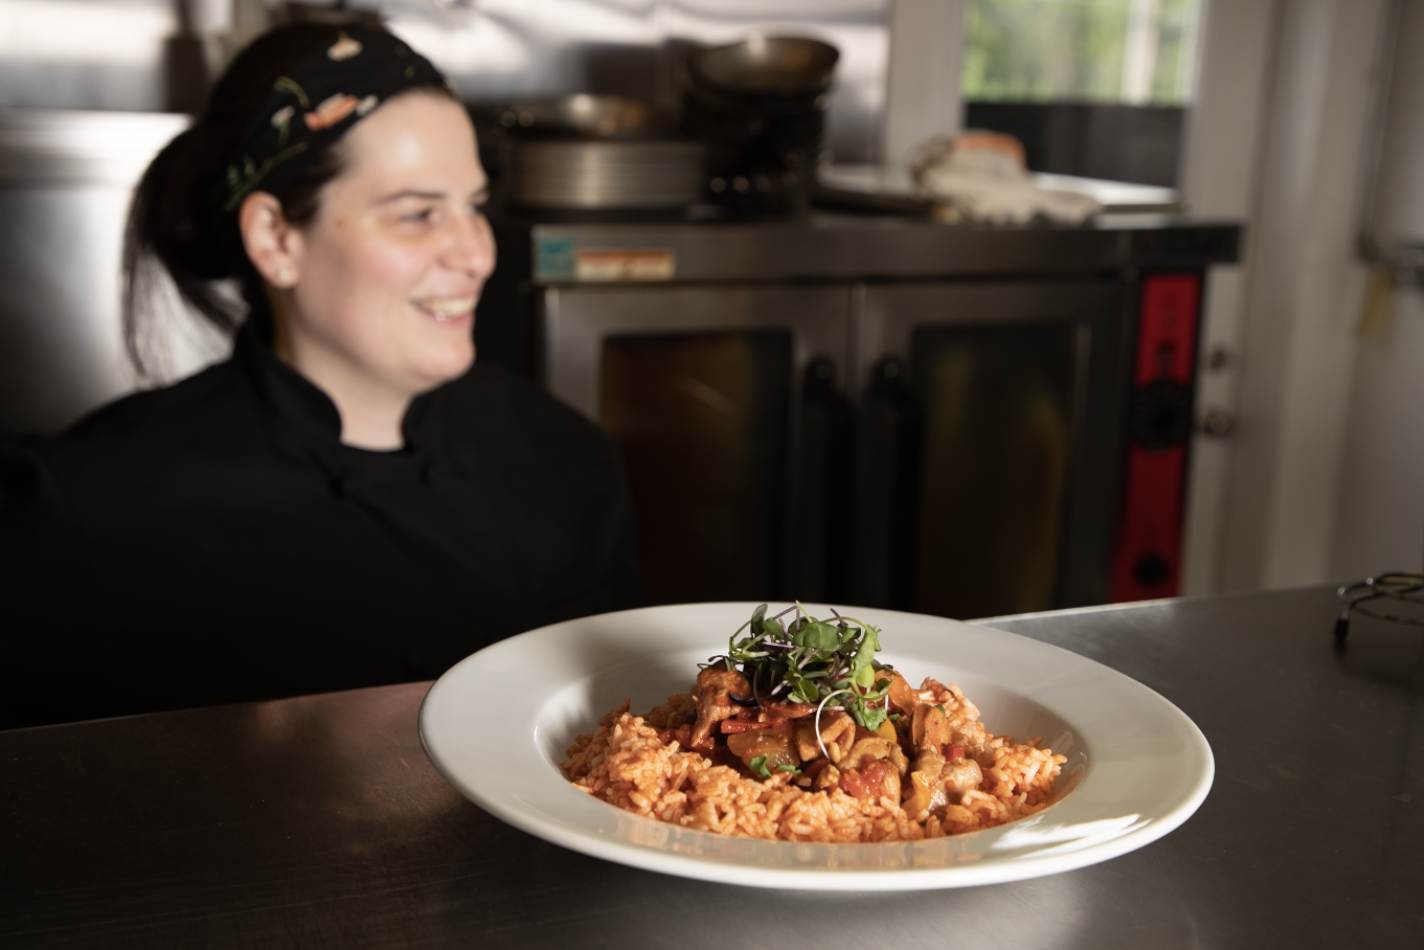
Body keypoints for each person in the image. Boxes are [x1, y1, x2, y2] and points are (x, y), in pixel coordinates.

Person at [0, 24, 643, 727]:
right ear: (276, 239)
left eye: (475, 206)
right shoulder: (88, 513)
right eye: (419, 213)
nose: (476, 253)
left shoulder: (565, 461)